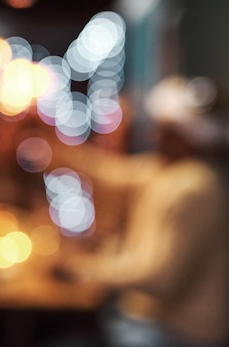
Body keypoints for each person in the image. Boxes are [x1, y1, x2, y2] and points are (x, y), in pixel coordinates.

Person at [49, 75, 229, 347]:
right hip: (154, 321)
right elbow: (114, 173)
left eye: (166, 130)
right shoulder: (167, 171)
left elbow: (160, 277)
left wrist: (85, 269)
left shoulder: (195, 187)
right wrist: (55, 147)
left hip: (177, 332)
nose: (153, 136)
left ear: (188, 133)